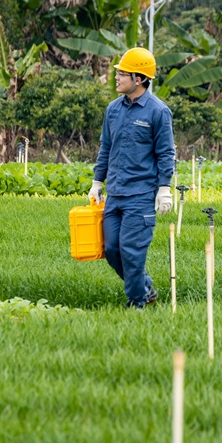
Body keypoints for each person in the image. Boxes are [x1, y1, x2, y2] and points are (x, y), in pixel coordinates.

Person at [89, 47, 175, 308]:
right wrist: (96, 183)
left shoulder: (158, 112)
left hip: (141, 196)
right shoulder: (113, 110)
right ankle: (145, 287)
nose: (116, 78)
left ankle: (136, 302)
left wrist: (164, 189)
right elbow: (106, 148)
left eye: (122, 74)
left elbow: (166, 152)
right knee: (112, 250)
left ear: (138, 79)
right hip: (115, 194)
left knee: (132, 252)